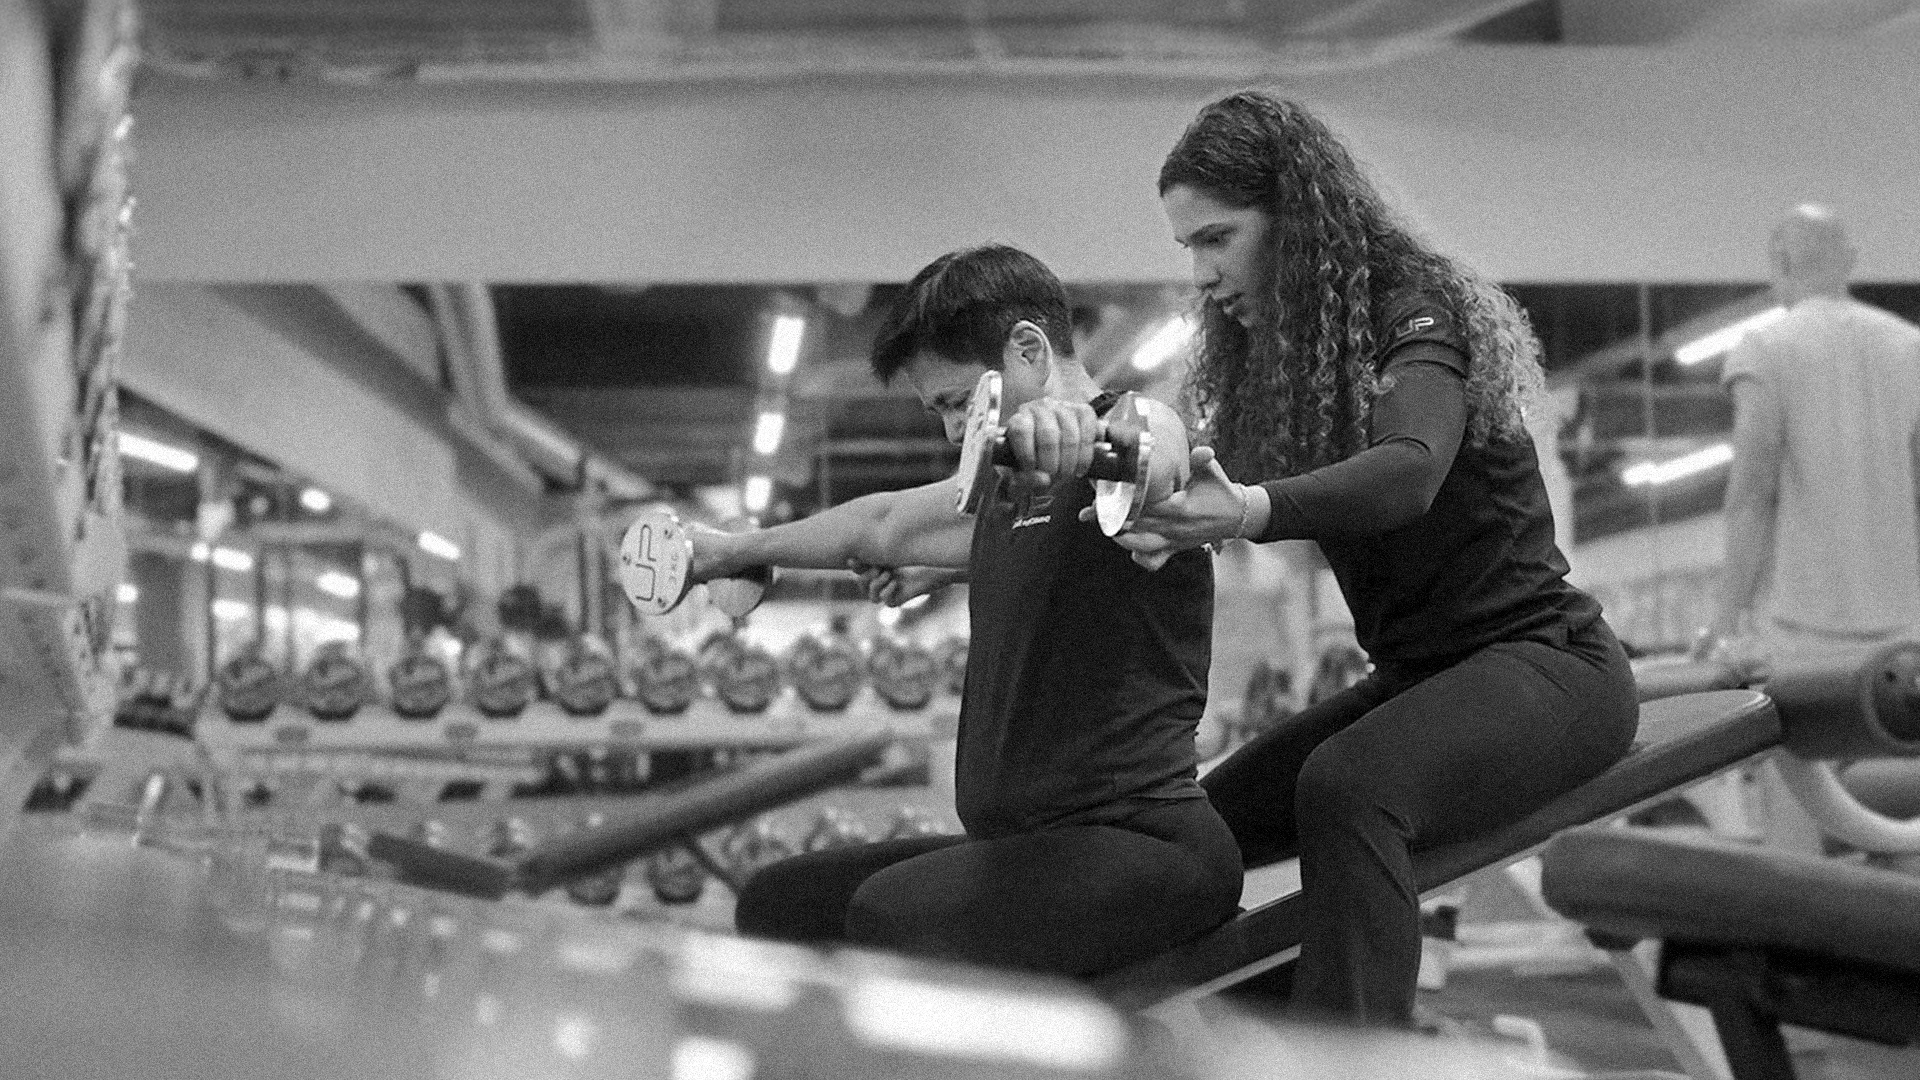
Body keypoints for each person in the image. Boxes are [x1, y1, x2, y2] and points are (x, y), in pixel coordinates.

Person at [1081, 91, 1641, 1025]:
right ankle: (1241, 1033)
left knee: (1349, 786)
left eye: (1217, 239)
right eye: (1188, 247)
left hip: (1549, 663)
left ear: (1294, 219)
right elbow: (1186, 468)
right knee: (1199, 832)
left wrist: (1248, 510)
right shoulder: (1287, 359)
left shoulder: (1411, 307)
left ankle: (1347, 1058)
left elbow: (1409, 473)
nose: (1202, 272)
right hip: (1422, 678)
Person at [683, 243, 1242, 977]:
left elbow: (1161, 448)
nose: (953, 430)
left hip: (1147, 845)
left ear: (1029, 350)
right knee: (779, 904)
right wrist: (727, 551)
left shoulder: (1128, 451)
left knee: (895, 916)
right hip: (1030, 850)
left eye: (955, 402)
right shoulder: (1007, 492)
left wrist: (1097, 436)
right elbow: (880, 523)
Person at [1698, 204, 1920, 667]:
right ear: (1851, 260)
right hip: (1905, 636)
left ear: (1780, 263)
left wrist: (1724, 623)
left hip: (1801, 636)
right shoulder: (1910, 347)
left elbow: (1752, 492)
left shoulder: (1765, 347)